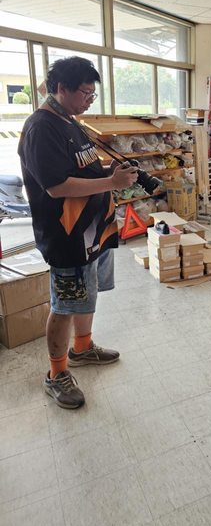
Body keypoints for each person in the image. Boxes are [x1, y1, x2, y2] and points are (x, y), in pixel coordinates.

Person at [18, 56, 138, 409]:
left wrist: (111, 172)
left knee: (88, 295)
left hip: (93, 231)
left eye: (92, 94)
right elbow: (56, 186)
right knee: (65, 305)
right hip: (67, 237)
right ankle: (56, 373)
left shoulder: (69, 121)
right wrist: (111, 183)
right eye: (85, 93)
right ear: (61, 88)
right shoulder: (41, 128)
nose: (89, 100)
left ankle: (82, 348)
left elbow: (83, 168)